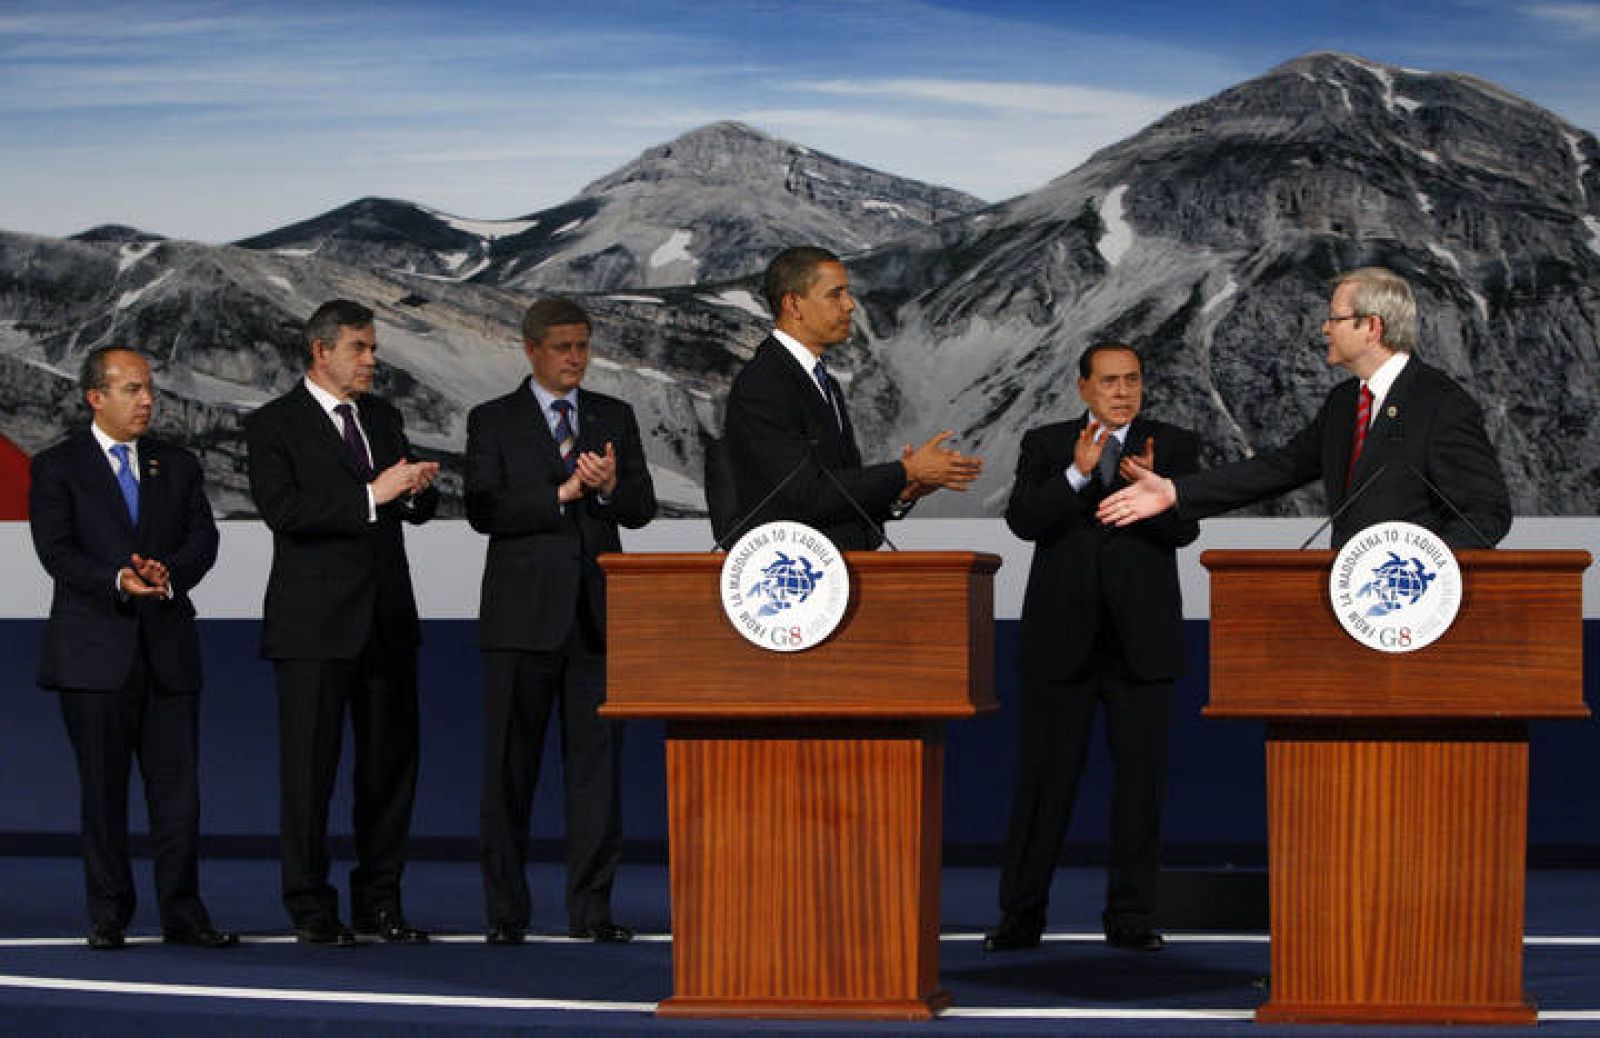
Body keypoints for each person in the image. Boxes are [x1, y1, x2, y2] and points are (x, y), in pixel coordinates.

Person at [984, 343, 1201, 954]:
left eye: (1132, 379)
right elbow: (1026, 521)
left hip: (1142, 646)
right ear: (1083, 388)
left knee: (1141, 790)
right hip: (1061, 644)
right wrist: (1076, 475)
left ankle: (1131, 918)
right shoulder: (1047, 444)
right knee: (1041, 788)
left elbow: (1183, 529)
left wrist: (1151, 490)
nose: (1122, 391)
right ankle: (1019, 916)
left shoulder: (1174, 445)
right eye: (1109, 381)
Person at [244, 299, 440, 946]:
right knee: (309, 775)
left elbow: (409, 508)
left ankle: (380, 903)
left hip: (385, 622)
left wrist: (416, 489)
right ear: (321, 351)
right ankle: (311, 907)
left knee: (387, 772)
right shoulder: (274, 424)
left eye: (374, 348)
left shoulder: (382, 416)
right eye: (361, 348)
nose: (372, 360)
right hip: (313, 628)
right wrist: (371, 495)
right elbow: (286, 512)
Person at [29, 346, 237, 950]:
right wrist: (120, 579)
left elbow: (203, 537)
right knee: (103, 791)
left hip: (168, 650)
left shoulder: (177, 463)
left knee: (179, 796)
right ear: (96, 397)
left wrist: (166, 573)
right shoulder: (57, 467)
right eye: (133, 390)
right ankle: (109, 914)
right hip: (93, 654)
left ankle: (184, 913)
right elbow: (57, 550)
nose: (148, 400)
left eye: (150, 389)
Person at [468, 298, 657, 946]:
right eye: (562, 347)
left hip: (598, 624)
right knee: (508, 772)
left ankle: (593, 911)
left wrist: (606, 489)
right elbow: (483, 508)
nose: (576, 358)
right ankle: (505, 912)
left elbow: (641, 507)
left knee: (597, 778)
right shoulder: (492, 419)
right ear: (531, 349)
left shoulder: (614, 416)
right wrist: (561, 495)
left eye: (583, 346)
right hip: (520, 624)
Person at [1099, 267, 1512, 548]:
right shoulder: (1345, 402)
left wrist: (1421, 566)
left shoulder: (1440, 403)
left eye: (1335, 318)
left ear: (1371, 327)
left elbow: (1487, 513)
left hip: (1417, 609)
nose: (1324, 327)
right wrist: (1175, 491)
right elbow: (1280, 468)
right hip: (1353, 606)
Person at [722, 246, 982, 549]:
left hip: (840, 570)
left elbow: (841, 496)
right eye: (835, 294)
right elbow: (804, 496)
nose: (849, 305)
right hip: (794, 575)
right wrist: (905, 471)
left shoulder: (824, 382)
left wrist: (903, 491)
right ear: (794, 305)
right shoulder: (765, 382)